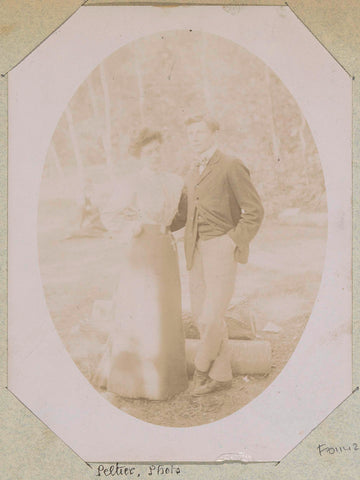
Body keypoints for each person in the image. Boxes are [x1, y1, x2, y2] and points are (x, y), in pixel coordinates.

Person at [171, 114, 264, 396]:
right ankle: (221, 375)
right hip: (194, 250)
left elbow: (255, 211)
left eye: (200, 132)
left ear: (213, 133)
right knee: (203, 317)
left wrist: (232, 241)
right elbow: (184, 214)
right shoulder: (191, 171)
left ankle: (200, 368)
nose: (194, 137)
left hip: (220, 249)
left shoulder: (231, 164)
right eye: (190, 133)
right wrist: (157, 224)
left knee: (211, 317)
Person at [93, 128, 189, 400]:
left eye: (158, 150)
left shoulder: (173, 180)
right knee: (143, 308)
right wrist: (131, 228)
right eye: (149, 152)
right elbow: (110, 213)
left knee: (165, 309)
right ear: (140, 156)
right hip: (143, 247)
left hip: (166, 248)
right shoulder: (133, 182)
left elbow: (179, 215)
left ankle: (167, 381)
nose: (155, 155)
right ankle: (136, 382)